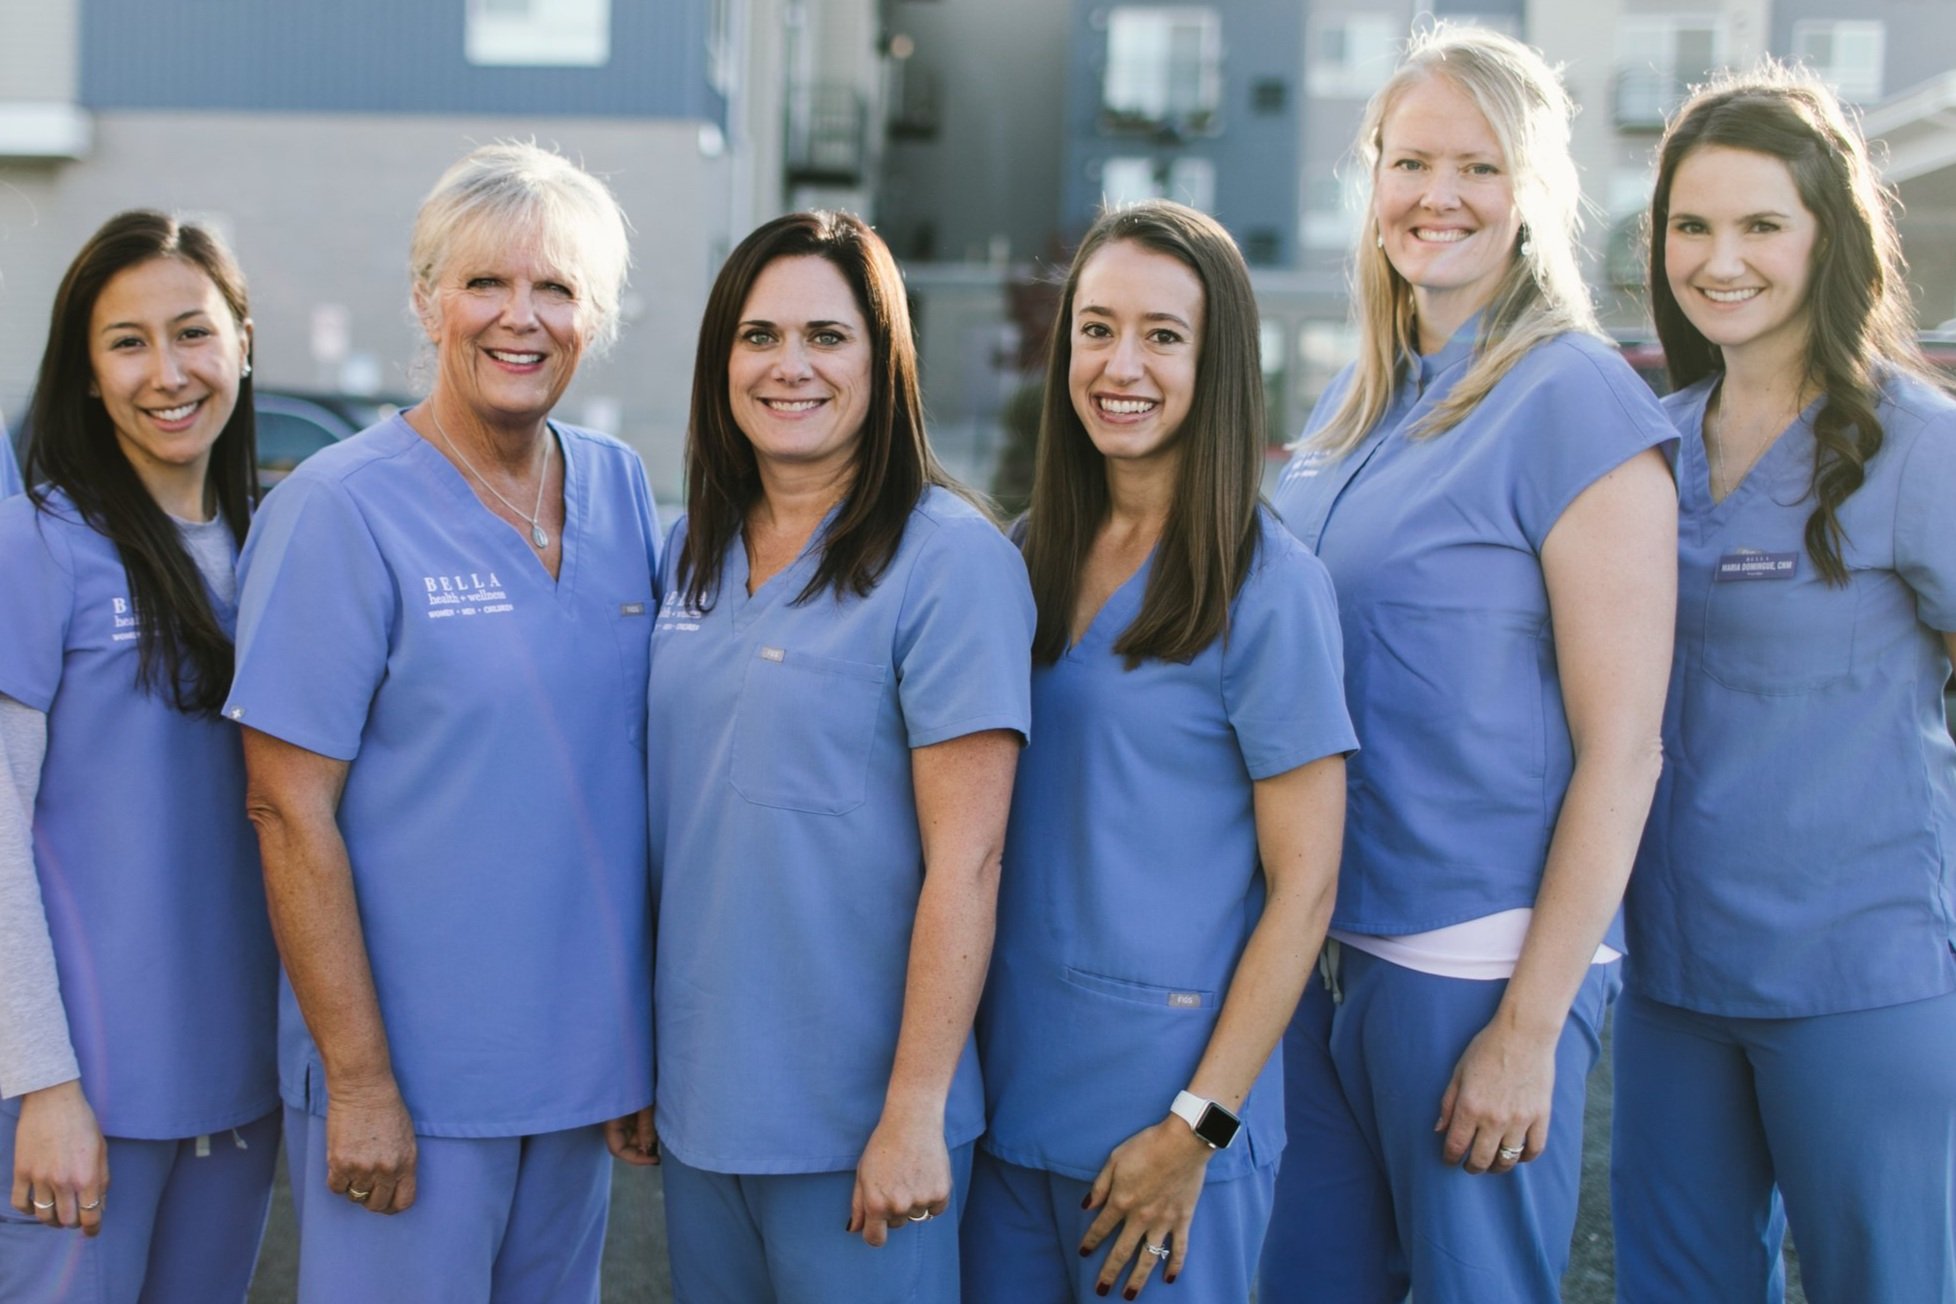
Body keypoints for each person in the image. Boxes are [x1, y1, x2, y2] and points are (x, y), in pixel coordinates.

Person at [1257, 25, 1679, 1303]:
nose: (1436, 194)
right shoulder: (1353, 402)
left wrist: (1529, 1026)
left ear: (1532, 195)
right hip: (1323, 953)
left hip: (1471, 963)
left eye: (1478, 167)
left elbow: (1626, 746)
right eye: (1409, 159)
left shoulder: (1574, 399)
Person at [225, 142, 659, 1302]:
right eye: (486, 282)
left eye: (558, 288)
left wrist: (635, 1043)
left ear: (595, 316)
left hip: (576, 1079)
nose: (522, 317)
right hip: (411, 1091)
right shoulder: (337, 509)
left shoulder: (623, 494)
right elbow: (284, 805)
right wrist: (360, 1082)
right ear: (425, 298)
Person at [961, 201, 1354, 1304]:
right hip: (1007, 1109)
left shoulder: (1270, 590)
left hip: (1166, 1130)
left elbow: (1307, 883)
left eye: (1162, 335)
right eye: (1095, 328)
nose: (1119, 364)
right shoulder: (1027, 555)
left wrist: (1200, 1127)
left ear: (1218, 358)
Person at [1612, 67, 1956, 1303]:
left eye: (1763, 224)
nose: (1723, 259)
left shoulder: (1916, 444)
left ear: (1829, 234)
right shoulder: (1647, 444)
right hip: (1673, 979)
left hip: (1857, 982)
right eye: (1693, 226)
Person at [645, 209, 1033, 1302]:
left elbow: (971, 861)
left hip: (862, 1131)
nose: (790, 366)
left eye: (827, 335)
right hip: (702, 1107)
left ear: (884, 356)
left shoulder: (950, 561)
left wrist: (915, 1112)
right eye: (759, 336)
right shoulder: (688, 552)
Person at [0, 211, 277, 1301]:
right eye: (127, 341)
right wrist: (43, 1084)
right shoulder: (35, 541)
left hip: (241, 1088)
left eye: (193, 333)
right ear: (84, 373)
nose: (167, 372)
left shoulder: (278, 546)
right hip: (80, 1096)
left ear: (243, 344)